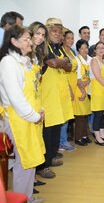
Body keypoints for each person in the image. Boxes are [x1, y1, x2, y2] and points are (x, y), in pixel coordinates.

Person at [0, 25, 45, 202]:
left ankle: (27, 197)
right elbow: (16, 97)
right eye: (26, 39)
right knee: (24, 161)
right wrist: (34, 116)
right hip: (19, 119)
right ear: (14, 41)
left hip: (30, 116)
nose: (31, 42)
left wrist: (39, 112)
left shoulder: (24, 60)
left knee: (31, 159)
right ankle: (22, 198)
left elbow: (33, 90)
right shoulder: (8, 63)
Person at [36, 18, 73, 179]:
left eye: (60, 32)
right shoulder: (43, 47)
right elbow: (52, 63)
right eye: (54, 31)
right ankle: (42, 165)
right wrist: (63, 62)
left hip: (57, 97)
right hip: (46, 97)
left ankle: (51, 157)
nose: (58, 34)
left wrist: (62, 61)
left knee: (56, 127)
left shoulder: (58, 48)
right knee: (46, 131)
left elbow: (69, 66)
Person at [28, 22, 48, 193]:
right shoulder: (23, 55)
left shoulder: (37, 54)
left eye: (43, 35)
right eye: (38, 33)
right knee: (28, 144)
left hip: (37, 101)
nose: (40, 37)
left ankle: (32, 179)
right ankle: (27, 182)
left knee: (36, 142)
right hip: (26, 104)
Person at [90, 42, 104, 146]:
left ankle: (102, 134)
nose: (100, 49)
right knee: (98, 115)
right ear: (95, 50)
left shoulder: (103, 60)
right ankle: (97, 137)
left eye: (102, 48)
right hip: (98, 90)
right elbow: (98, 77)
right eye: (98, 48)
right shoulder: (94, 61)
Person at [59, 30, 77, 152]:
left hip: (74, 85)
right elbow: (63, 74)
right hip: (65, 86)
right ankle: (62, 142)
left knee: (69, 115)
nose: (70, 40)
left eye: (72, 38)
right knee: (63, 116)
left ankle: (63, 140)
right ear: (63, 39)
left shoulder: (72, 51)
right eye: (68, 38)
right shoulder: (61, 52)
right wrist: (69, 89)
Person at [73, 39, 92, 146]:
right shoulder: (76, 61)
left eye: (86, 47)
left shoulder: (90, 59)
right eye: (82, 48)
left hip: (87, 90)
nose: (84, 50)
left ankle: (85, 135)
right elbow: (78, 79)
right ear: (78, 50)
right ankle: (78, 138)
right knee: (80, 116)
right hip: (79, 91)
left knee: (85, 115)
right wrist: (83, 91)